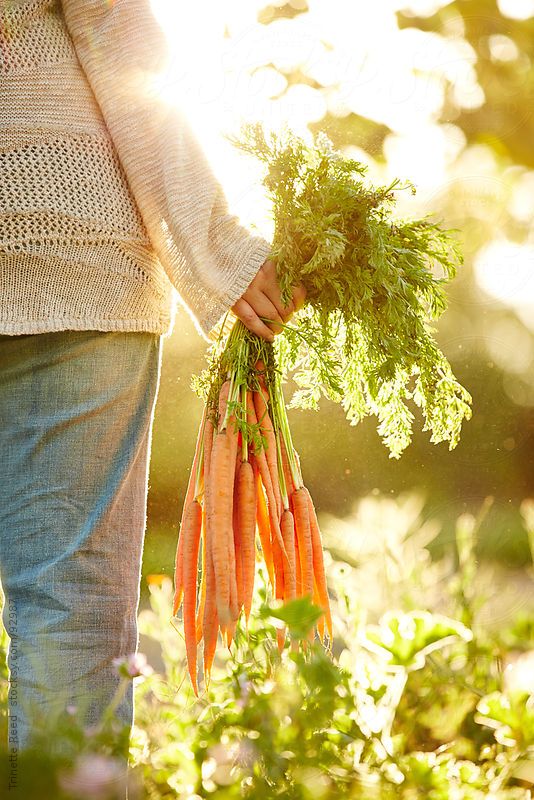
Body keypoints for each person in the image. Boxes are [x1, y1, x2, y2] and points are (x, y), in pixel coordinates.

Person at [0, 0, 305, 758]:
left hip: (69, 265)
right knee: (69, 602)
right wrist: (219, 248)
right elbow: (113, 28)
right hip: (68, 241)